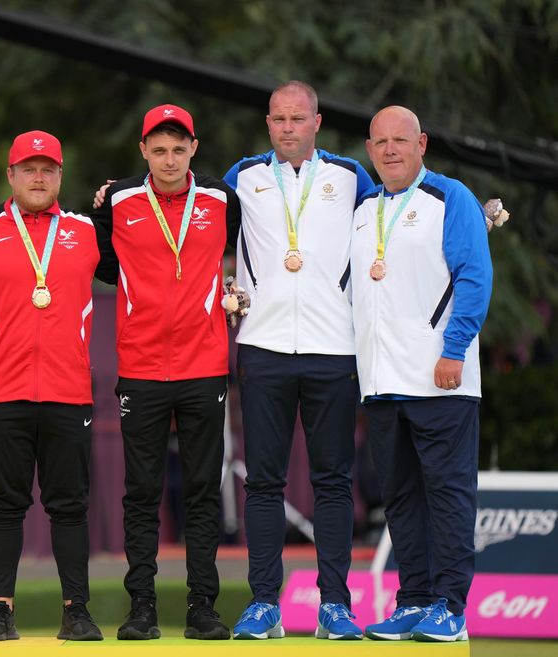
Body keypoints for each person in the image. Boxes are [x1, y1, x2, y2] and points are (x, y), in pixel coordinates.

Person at [222, 81, 375, 641]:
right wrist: (119, 193)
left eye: (297, 118)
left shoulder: (350, 176)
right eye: (278, 119)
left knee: (333, 482)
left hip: (333, 348)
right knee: (263, 481)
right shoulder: (242, 176)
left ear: (317, 122)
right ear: (268, 123)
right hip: (262, 347)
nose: (287, 128)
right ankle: (265, 603)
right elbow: (192, 211)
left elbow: (391, 222)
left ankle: (335, 605)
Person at [0, 130, 108, 642]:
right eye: (28, 169)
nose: (39, 177)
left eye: (48, 169)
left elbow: (144, 268)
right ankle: (0, 611)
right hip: (2, 390)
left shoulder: (87, 231)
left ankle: (77, 611)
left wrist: (116, 195)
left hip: (69, 390)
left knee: (70, 506)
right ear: (10, 175)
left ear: (60, 176)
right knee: (3, 504)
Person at [91, 104, 241, 641]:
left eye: (179, 149)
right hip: (141, 365)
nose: (170, 159)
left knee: (203, 490)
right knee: (142, 492)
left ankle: (203, 607)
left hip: (204, 363)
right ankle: (142, 607)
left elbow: (244, 255)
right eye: (159, 150)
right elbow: (101, 265)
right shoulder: (118, 201)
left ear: (194, 148)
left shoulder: (222, 199)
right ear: (143, 150)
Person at [354, 106, 491, 643]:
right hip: (381, 382)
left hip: (441, 379)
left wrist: (454, 349)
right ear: (370, 150)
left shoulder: (451, 197)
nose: (390, 150)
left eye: (401, 140)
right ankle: (413, 600)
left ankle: (449, 607)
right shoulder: (365, 208)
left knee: (448, 495)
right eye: (381, 142)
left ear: (422, 144)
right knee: (401, 497)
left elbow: (474, 277)